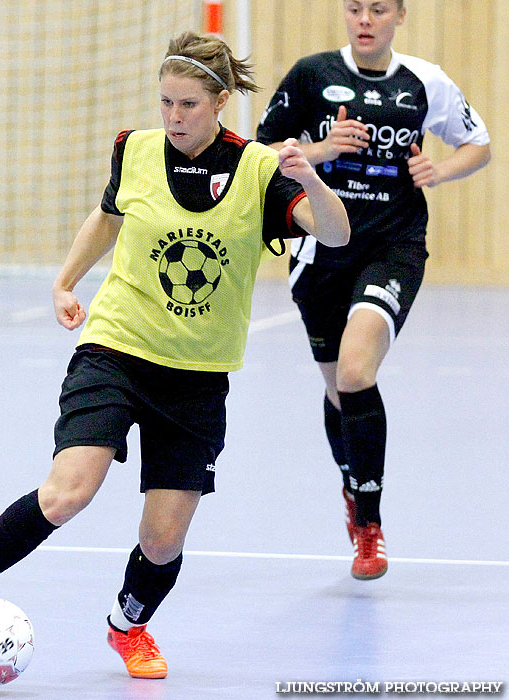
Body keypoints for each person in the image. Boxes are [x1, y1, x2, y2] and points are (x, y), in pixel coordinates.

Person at [0, 31, 349, 679]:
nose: (174, 117)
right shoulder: (134, 151)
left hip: (195, 376)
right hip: (116, 349)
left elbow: (334, 233)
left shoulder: (258, 172)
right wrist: (64, 280)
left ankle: (127, 627)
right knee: (67, 492)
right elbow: (107, 217)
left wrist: (311, 181)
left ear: (219, 102)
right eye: (165, 102)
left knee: (162, 538)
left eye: (188, 105)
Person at [257, 0, 490, 580]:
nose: (365, 19)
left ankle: (370, 525)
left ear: (399, 16)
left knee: (358, 372)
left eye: (378, 9)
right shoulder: (313, 76)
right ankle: (352, 484)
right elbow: (260, 154)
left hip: (395, 244)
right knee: (339, 390)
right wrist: (321, 151)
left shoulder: (424, 82)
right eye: (355, 8)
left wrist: (442, 169)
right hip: (320, 247)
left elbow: (478, 144)